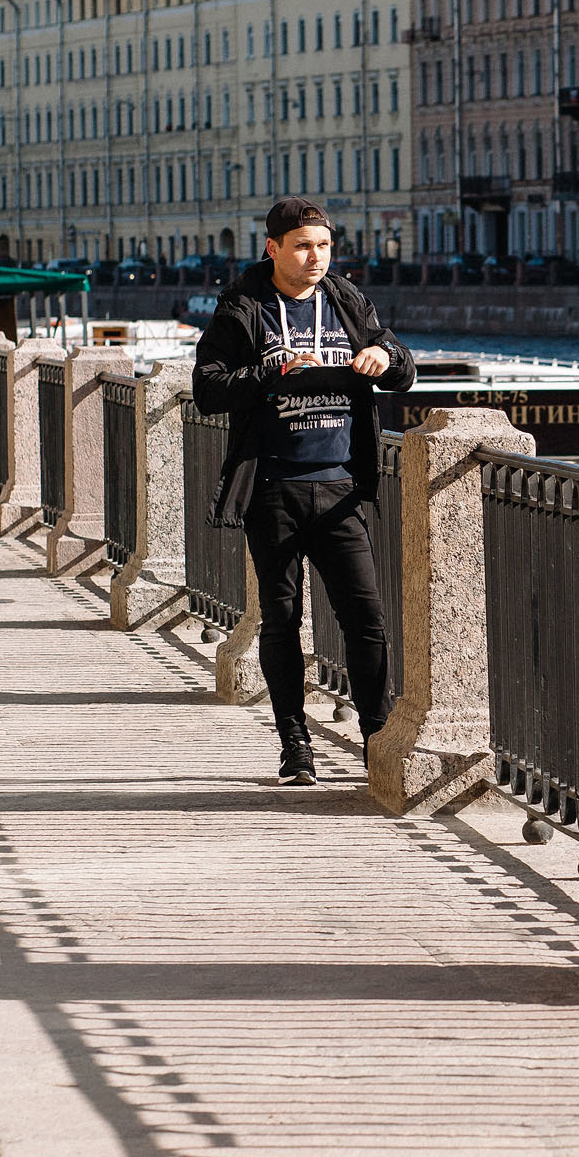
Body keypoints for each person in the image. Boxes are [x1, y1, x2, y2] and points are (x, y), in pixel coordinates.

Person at [192, 197, 414, 786]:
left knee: (366, 620)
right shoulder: (244, 309)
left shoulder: (345, 300)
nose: (315, 257)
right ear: (274, 249)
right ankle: (295, 744)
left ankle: (376, 739)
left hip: (340, 488)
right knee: (282, 618)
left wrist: (380, 356)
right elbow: (208, 388)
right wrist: (273, 371)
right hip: (272, 489)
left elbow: (404, 366)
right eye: (303, 246)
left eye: (323, 245)